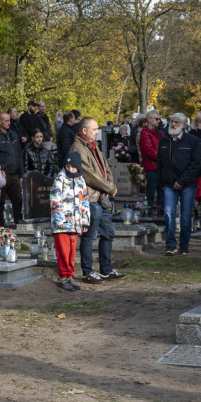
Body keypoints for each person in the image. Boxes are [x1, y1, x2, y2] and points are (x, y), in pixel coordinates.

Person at [71, 118, 124, 283]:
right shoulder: (78, 148)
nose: (96, 131)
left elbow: (105, 167)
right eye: (94, 129)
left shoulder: (93, 145)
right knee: (90, 235)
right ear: (84, 131)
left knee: (108, 232)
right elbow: (88, 174)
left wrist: (109, 184)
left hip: (101, 196)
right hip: (90, 197)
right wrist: (108, 188)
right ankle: (87, 272)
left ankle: (106, 270)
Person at [157, 113, 201, 256]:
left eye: (177, 122)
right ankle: (170, 245)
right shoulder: (164, 141)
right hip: (169, 184)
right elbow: (160, 163)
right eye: (172, 122)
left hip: (187, 184)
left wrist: (181, 181)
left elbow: (196, 164)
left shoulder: (193, 141)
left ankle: (184, 245)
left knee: (185, 215)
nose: (173, 124)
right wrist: (163, 183)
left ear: (184, 125)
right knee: (169, 214)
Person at [50, 150, 90, 292]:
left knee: (72, 251)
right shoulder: (60, 179)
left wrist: (85, 221)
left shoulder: (81, 180)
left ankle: (70, 276)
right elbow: (55, 200)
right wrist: (60, 220)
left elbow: (85, 201)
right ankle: (63, 277)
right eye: (68, 167)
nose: (70, 169)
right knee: (63, 251)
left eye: (73, 167)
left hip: (76, 223)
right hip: (62, 225)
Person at [138, 110, 161, 210]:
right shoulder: (144, 133)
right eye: (156, 119)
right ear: (149, 119)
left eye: (159, 119)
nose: (159, 121)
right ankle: (149, 213)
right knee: (151, 192)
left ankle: (161, 212)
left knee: (161, 193)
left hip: (161, 167)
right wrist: (163, 158)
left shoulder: (159, 133)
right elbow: (149, 151)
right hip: (152, 167)